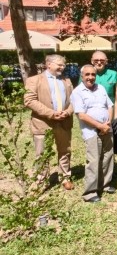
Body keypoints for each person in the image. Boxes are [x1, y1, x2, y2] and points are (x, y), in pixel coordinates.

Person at [23, 54, 75, 190]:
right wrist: (51, 114)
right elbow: (29, 100)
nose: (62, 67)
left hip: (64, 122)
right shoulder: (34, 80)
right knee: (42, 154)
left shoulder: (66, 80)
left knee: (65, 151)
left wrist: (68, 112)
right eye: (59, 64)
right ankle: (41, 181)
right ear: (48, 64)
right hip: (43, 123)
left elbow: (74, 100)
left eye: (63, 65)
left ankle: (65, 177)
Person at [70, 64, 115, 203]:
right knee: (94, 160)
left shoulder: (100, 88)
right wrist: (100, 126)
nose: (90, 77)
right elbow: (81, 115)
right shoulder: (77, 92)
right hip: (91, 131)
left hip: (106, 128)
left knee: (108, 156)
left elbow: (110, 105)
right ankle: (90, 192)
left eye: (93, 74)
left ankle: (105, 184)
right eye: (87, 74)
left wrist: (108, 123)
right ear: (82, 76)